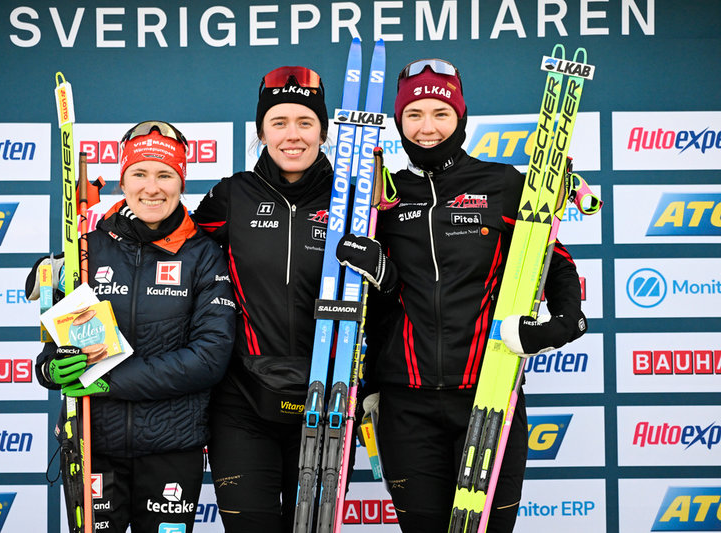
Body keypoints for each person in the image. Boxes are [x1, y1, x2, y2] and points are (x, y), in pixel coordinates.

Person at [336, 59, 588, 532]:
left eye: (439, 113)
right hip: (405, 404)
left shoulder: (504, 186)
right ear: (399, 120)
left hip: (488, 391)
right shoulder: (381, 198)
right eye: (413, 114)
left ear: (461, 117)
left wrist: (565, 320)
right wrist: (368, 383)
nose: (426, 127)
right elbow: (375, 299)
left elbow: (553, 261)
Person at [28, 121, 235, 533]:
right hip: (94, 444)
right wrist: (51, 370)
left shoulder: (204, 255)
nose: (152, 188)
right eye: (139, 174)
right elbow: (56, 350)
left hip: (172, 447)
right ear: (123, 181)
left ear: (181, 182)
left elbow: (209, 359)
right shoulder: (85, 249)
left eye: (165, 175)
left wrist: (109, 380)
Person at [190, 66, 334, 532]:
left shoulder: (354, 197)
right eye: (279, 122)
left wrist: (384, 271)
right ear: (260, 131)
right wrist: (86, 252)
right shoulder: (234, 195)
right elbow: (166, 246)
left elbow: (403, 279)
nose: (292, 135)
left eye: (305, 122)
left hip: (326, 396)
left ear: (323, 130)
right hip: (243, 398)